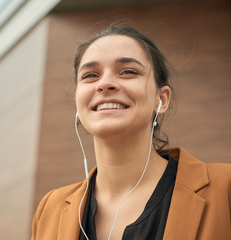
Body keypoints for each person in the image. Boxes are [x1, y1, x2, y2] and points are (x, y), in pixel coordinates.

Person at [31, 25, 231, 240]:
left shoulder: (224, 188)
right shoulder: (50, 209)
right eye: (90, 75)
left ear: (161, 99)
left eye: (128, 71)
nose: (105, 84)